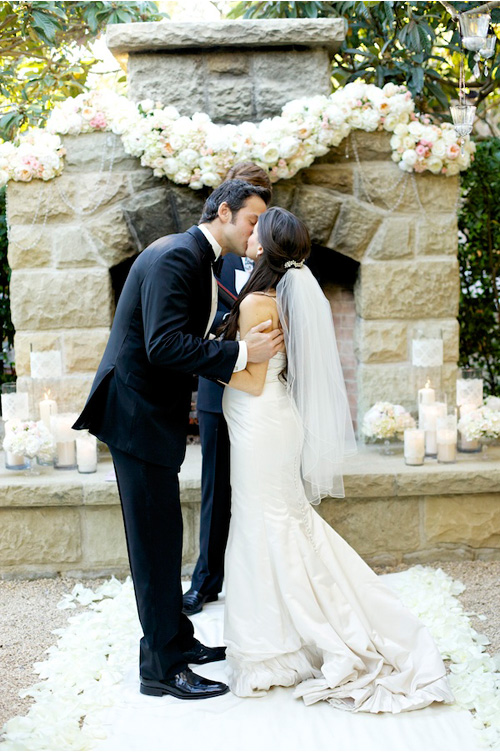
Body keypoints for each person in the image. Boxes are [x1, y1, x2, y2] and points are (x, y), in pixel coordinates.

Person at [219, 207, 454, 712]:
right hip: (263, 423)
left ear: (264, 245)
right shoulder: (274, 293)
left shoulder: (260, 302)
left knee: (268, 526)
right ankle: (281, 636)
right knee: (273, 524)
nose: (250, 229)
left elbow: (252, 377)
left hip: (261, 422)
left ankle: (279, 646)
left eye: (257, 227)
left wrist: (211, 363)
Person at [73, 180, 283, 701]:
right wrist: (243, 354)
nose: (258, 231)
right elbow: (163, 345)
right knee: (154, 547)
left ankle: (178, 641)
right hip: (136, 417)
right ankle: (160, 670)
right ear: (226, 212)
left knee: (164, 539)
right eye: (253, 220)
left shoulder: (195, 256)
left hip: (150, 416)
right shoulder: (177, 257)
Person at [183, 163, 272, 617]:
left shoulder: (273, 251)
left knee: (265, 483)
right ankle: (206, 581)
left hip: (261, 391)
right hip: (218, 387)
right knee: (216, 487)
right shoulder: (207, 253)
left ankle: (266, 574)